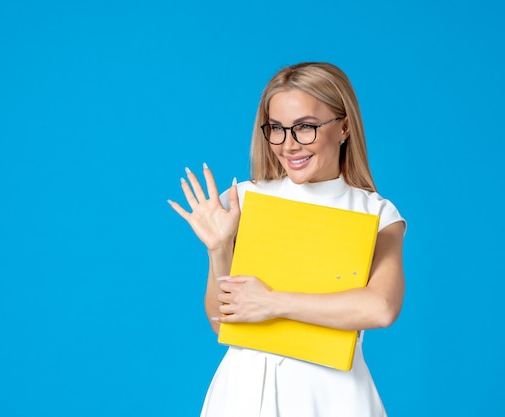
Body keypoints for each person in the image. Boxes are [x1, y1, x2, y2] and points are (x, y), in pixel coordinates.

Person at [167, 62, 406, 417]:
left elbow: (380, 308)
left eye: (305, 127)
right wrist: (218, 250)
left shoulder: (376, 213)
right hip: (241, 395)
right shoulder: (244, 200)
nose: (289, 145)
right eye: (276, 129)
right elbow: (222, 324)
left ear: (343, 127)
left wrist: (273, 303)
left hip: (330, 398)